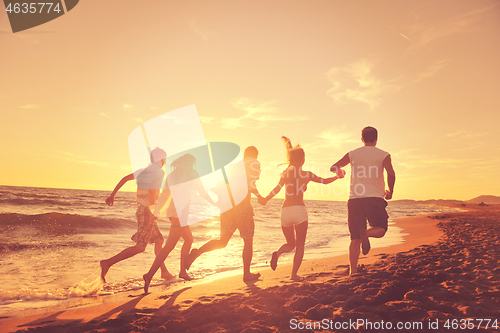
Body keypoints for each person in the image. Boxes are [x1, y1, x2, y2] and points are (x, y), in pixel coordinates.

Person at [261, 137, 345, 280]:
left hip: (285, 211)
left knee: (290, 244)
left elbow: (276, 189)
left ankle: (278, 253)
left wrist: (265, 199)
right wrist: (337, 177)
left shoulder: (285, 173)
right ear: (303, 160)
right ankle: (293, 275)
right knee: (299, 245)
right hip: (299, 211)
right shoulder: (307, 174)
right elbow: (324, 181)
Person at [183, 146, 264, 282]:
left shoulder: (232, 167)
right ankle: (246, 274)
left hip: (227, 208)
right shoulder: (254, 163)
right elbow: (251, 183)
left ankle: (197, 252)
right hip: (242, 208)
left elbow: (220, 185)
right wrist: (260, 197)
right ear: (255, 155)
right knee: (248, 241)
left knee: (222, 242)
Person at [143, 153, 218, 293]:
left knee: (189, 239)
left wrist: (157, 212)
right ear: (190, 164)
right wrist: (215, 203)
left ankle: (183, 271)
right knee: (169, 247)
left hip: (174, 213)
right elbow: (202, 192)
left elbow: (165, 195)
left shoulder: (172, 175)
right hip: (180, 214)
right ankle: (149, 275)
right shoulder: (192, 173)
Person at [100, 147, 173, 283]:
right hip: (147, 210)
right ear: (160, 159)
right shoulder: (158, 172)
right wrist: (155, 211)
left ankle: (164, 272)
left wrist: (112, 195)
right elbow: (152, 191)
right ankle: (108, 263)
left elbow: (125, 179)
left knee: (158, 240)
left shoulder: (143, 170)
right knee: (140, 247)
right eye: (164, 159)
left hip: (143, 210)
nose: (165, 162)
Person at [330, 126, 396, 275]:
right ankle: (366, 233)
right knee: (381, 228)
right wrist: (390, 192)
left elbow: (333, 167)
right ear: (376, 139)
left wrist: (341, 173)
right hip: (375, 198)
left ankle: (353, 272)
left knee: (354, 238)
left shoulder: (353, 154)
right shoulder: (384, 155)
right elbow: (391, 174)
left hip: (355, 199)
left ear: (362, 139)